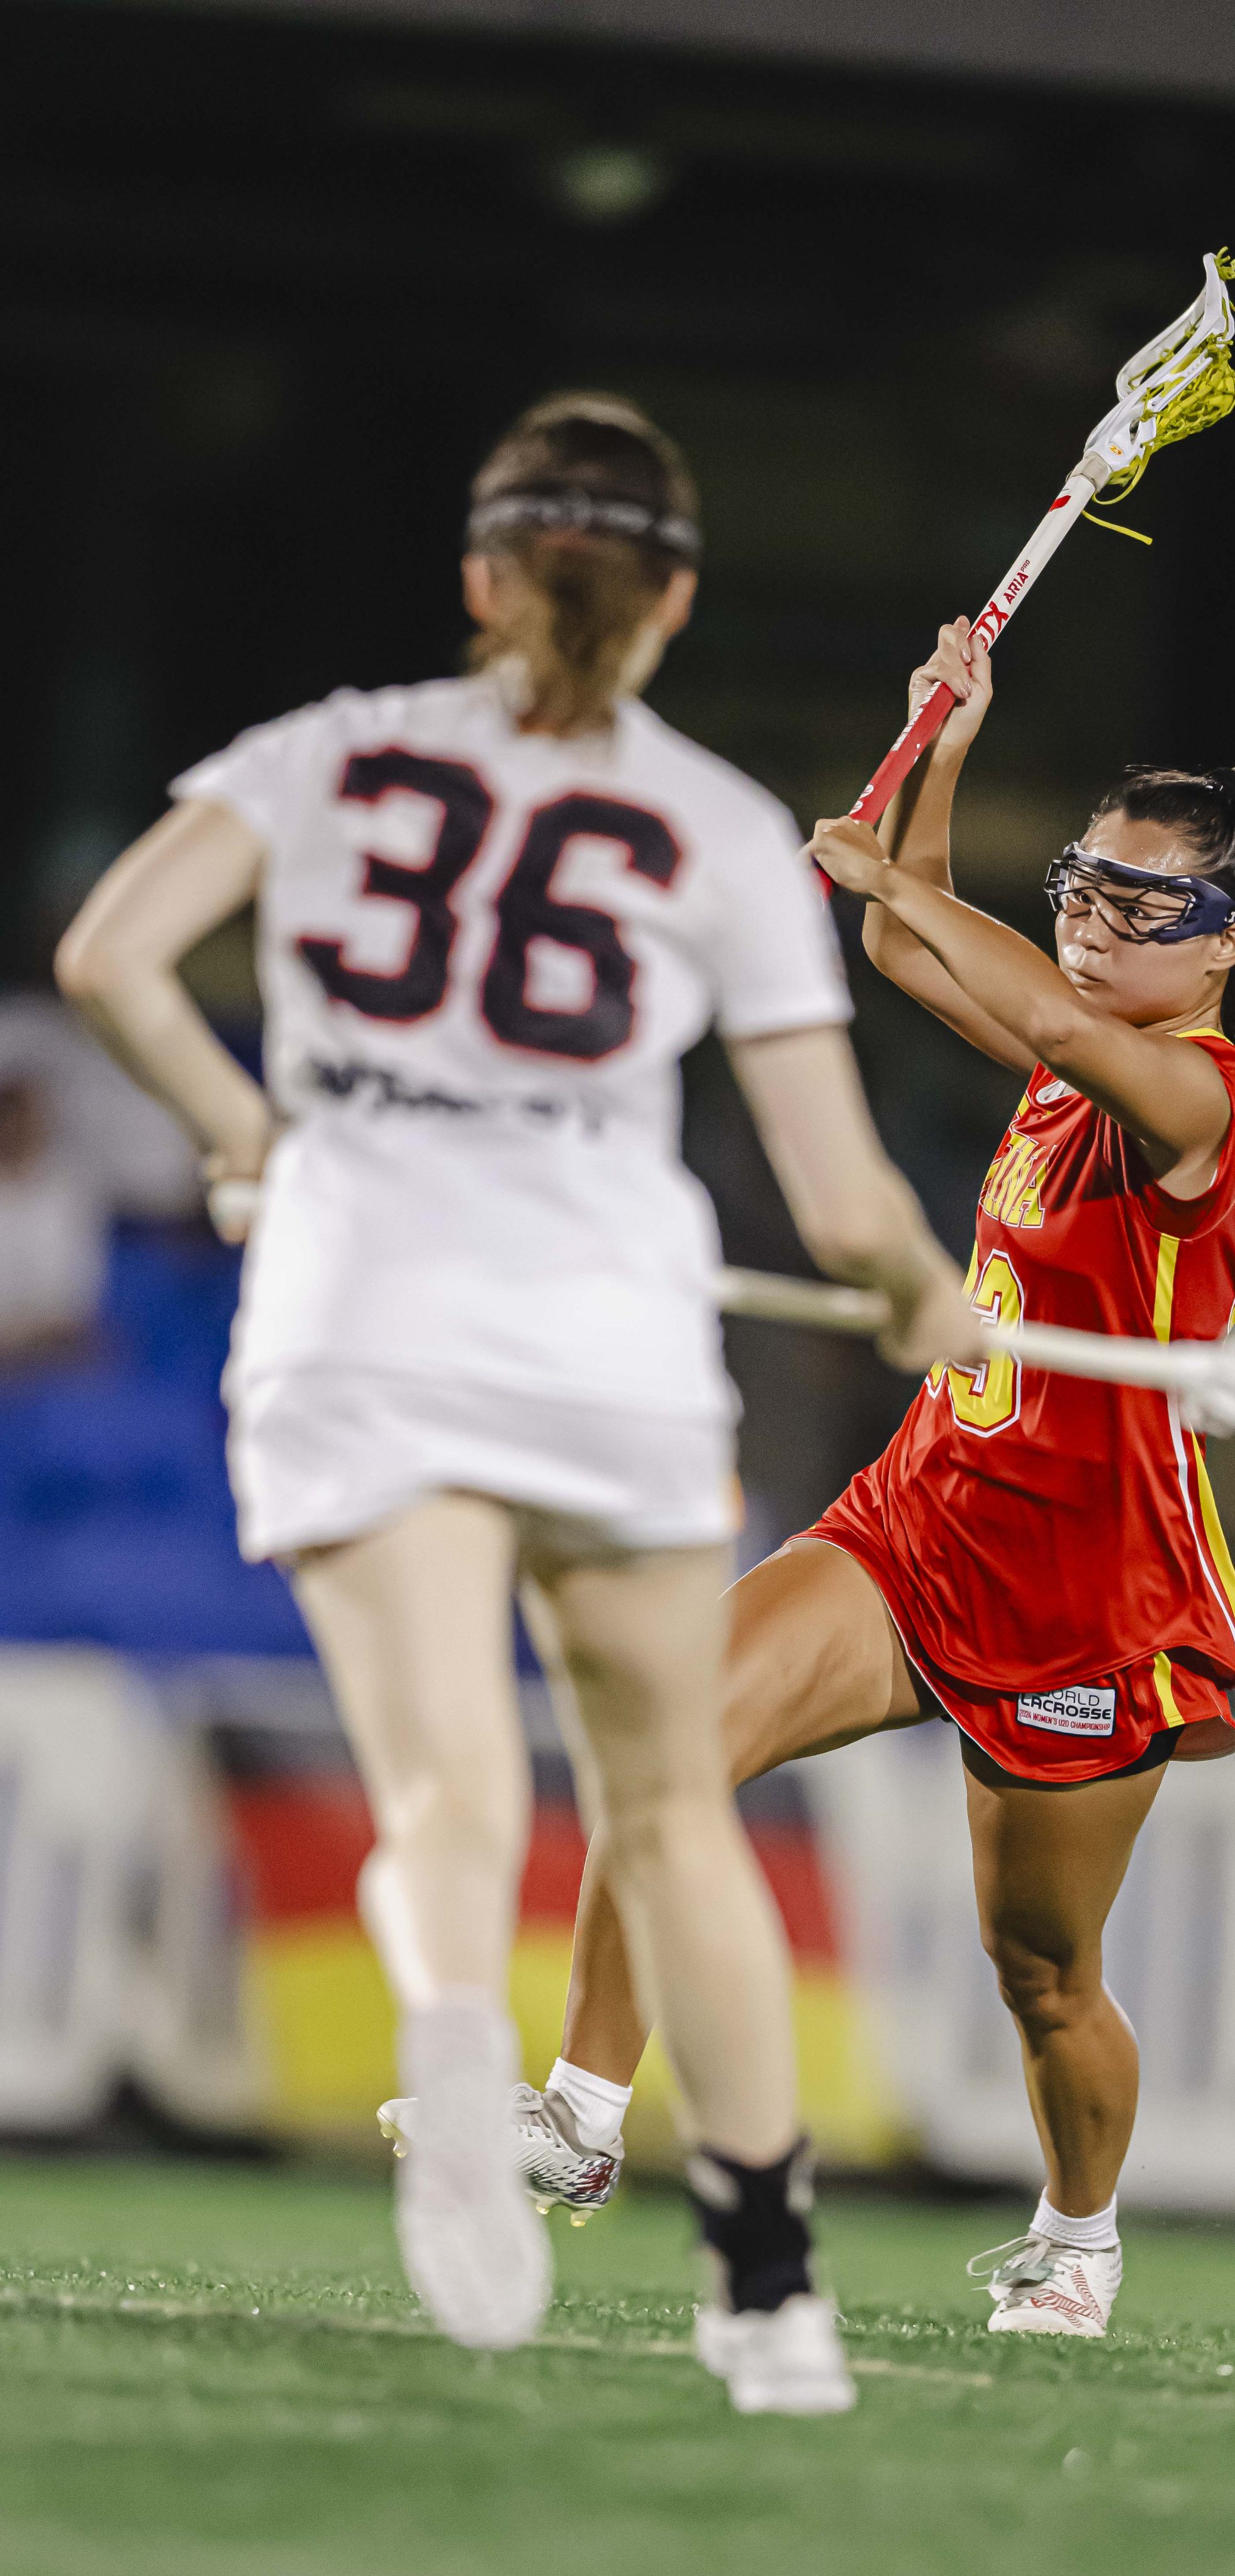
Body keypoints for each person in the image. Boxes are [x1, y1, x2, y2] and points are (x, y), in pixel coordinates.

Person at [55, 392, 978, 2414]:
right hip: (606, 1346)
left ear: (481, 578)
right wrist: (927, 1302)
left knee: (446, 1794)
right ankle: (768, 2296)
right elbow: (842, 1203)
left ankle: (455, 2039)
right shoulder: (726, 826)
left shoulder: (320, 753)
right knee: (666, 1817)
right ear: (675, 602)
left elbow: (111, 953)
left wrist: (246, 1129)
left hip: (360, 1312)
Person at [476, 614, 1235, 2338]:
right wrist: (944, 740)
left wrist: (901, 873)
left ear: (1227, 944)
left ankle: (1078, 2234)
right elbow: (908, 946)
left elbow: (987, 968)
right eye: (1083, 883)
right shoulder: (1066, 1061)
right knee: (669, 1734)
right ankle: (576, 2121)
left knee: (1042, 1975)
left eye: (1136, 904)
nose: (1091, 922)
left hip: (1089, 1590)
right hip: (922, 1516)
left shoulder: (1205, 1102)